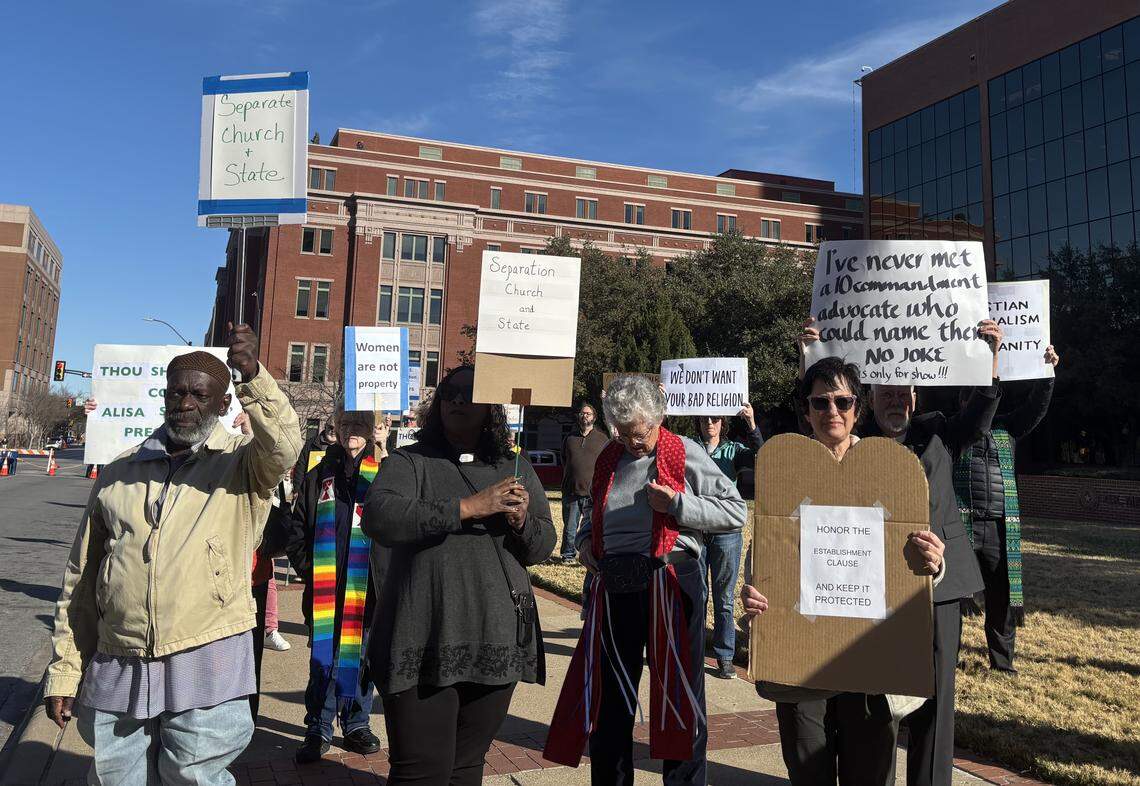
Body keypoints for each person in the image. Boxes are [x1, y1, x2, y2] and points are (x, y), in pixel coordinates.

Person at [43, 325, 301, 786]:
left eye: (199, 395)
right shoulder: (121, 471)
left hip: (208, 648)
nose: (185, 404)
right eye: (176, 393)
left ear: (224, 403)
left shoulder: (244, 465)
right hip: (119, 651)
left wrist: (253, 377)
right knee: (114, 774)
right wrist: (65, 671)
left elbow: (284, 445)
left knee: (192, 775)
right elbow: (81, 578)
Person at [793, 317, 998, 786]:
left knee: (935, 699)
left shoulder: (938, 432)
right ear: (869, 402)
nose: (896, 400)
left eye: (904, 391)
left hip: (940, 587)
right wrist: (810, 356)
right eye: (884, 391)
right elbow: (813, 425)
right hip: (875, 585)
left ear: (916, 398)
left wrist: (988, 362)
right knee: (876, 701)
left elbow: (980, 416)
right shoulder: (853, 445)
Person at [740, 356, 946, 785]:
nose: (831, 411)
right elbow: (767, 552)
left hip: (869, 660)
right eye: (820, 403)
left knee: (870, 776)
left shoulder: (890, 469)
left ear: (857, 409)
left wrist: (933, 563)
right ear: (806, 410)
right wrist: (753, 593)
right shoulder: (784, 468)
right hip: (800, 659)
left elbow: (910, 553)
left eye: (842, 400)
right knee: (809, 773)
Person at [545, 374, 748, 786]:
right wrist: (585, 543)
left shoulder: (685, 451)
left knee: (680, 698)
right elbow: (595, 516)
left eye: (641, 434)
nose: (633, 444)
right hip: (615, 586)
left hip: (671, 582)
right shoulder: (609, 457)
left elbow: (735, 511)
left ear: (659, 418)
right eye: (624, 434)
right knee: (611, 700)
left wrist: (678, 504)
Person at [363, 365, 556, 785]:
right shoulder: (410, 461)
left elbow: (543, 547)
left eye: (468, 393)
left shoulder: (516, 464)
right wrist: (467, 508)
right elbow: (379, 516)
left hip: (497, 639)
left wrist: (523, 520)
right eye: (448, 393)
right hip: (423, 638)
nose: (455, 400)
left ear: (490, 407)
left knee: (466, 769)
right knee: (421, 773)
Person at [285, 409, 383, 764]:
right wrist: (311, 571)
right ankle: (318, 727)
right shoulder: (317, 475)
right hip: (325, 588)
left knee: (361, 660)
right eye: (347, 425)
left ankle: (356, 724)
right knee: (323, 661)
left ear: (371, 431)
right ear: (337, 430)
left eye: (360, 425)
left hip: (367, 589)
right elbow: (296, 532)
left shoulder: (383, 477)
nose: (352, 431)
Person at [954, 346, 1059, 673]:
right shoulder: (954, 432)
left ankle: (1002, 664)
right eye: (969, 395)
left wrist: (1047, 375)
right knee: (954, 597)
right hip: (961, 525)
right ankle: (948, 657)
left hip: (1000, 527)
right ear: (962, 402)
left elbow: (1036, 408)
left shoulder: (1008, 427)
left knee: (1001, 599)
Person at [694, 404, 763, 680]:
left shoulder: (733, 450)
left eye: (715, 418)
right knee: (696, 596)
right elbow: (660, 448)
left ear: (723, 422)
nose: (710, 423)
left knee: (723, 598)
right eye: (705, 418)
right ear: (698, 421)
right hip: (697, 529)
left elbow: (763, 456)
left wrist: (752, 423)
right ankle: (694, 651)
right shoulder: (691, 449)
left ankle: (724, 657)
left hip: (726, 533)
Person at [559, 401, 609, 565]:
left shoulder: (602, 439)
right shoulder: (569, 438)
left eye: (588, 413)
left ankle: (591, 555)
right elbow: (564, 460)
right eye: (582, 413)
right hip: (571, 490)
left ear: (594, 417)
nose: (584, 416)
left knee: (592, 527)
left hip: (592, 493)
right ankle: (568, 555)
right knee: (570, 527)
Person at [295, 418, 337, 484]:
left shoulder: (343, 448)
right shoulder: (311, 444)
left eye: (336, 428)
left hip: (332, 489)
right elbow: (300, 466)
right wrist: (297, 488)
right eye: (331, 427)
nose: (333, 431)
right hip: (310, 487)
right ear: (325, 426)